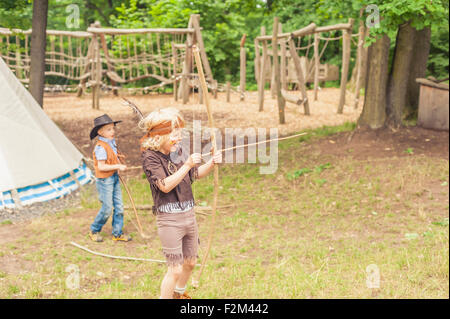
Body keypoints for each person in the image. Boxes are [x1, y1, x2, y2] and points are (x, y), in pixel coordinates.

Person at [140, 107, 221, 299]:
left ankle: (178, 294)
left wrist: (211, 163)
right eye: (174, 134)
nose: (178, 138)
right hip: (169, 219)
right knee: (175, 270)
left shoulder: (179, 151)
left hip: (188, 215)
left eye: (179, 134)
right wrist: (187, 165)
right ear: (160, 136)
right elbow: (165, 186)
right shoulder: (150, 157)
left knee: (190, 262)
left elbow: (195, 174)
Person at [88, 114, 132, 243]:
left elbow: (112, 158)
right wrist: (118, 165)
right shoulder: (101, 147)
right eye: (108, 129)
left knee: (119, 207)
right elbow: (101, 167)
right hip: (104, 181)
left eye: (113, 128)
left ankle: (117, 233)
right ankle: (94, 230)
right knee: (107, 209)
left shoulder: (111, 143)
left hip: (113, 177)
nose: (112, 131)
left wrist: (118, 165)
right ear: (100, 132)